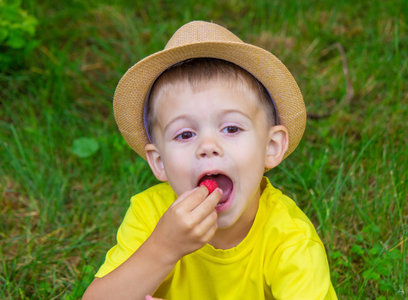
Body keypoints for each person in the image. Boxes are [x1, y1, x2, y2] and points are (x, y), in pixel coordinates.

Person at [83, 20, 337, 299]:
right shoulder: (150, 215)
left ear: (271, 146)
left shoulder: (290, 240)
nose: (207, 147)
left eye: (231, 128)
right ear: (159, 161)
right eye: (185, 134)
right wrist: (162, 249)